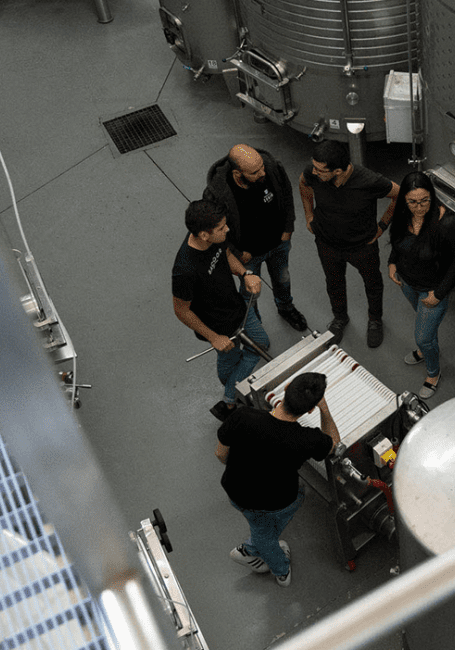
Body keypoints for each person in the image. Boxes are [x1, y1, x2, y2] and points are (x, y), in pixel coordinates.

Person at [215, 372, 340, 586]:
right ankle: (279, 569)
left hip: (235, 489)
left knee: (260, 526)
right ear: (310, 409)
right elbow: (334, 443)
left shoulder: (242, 416)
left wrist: (247, 468)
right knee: (266, 535)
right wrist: (324, 409)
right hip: (274, 502)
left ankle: (253, 547)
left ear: (287, 387)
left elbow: (220, 454)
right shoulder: (307, 439)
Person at [172, 200, 270, 421]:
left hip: (238, 307)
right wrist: (214, 337)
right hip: (219, 327)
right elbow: (181, 310)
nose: (227, 229)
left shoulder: (214, 239)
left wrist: (245, 274)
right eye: (221, 228)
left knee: (261, 343)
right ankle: (231, 398)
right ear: (204, 235)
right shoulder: (184, 270)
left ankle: (229, 396)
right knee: (230, 360)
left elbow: (226, 255)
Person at [298, 140, 400, 347]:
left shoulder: (369, 181)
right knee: (333, 283)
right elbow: (303, 183)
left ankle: (375, 320)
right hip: (327, 243)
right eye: (314, 167)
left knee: (372, 284)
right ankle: (340, 318)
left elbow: (399, 194)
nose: (314, 172)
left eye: (320, 170)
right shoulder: (313, 172)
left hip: (361, 246)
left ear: (338, 170)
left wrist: (382, 225)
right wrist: (308, 214)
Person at [203, 144, 308, 331]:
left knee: (283, 279)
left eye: (262, 167)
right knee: (250, 293)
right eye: (255, 172)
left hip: (279, 244)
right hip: (247, 256)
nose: (263, 173)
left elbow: (287, 196)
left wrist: (288, 228)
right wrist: (236, 253)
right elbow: (215, 232)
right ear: (238, 174)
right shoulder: (217, 194)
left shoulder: (272, 168)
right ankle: (254, 325)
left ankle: (286, 308)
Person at [387, 172, 455, 399]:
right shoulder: (403, 215)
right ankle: (426, 350)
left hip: (432, 290)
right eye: (412, 202)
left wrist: (439, 294)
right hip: (407, 284)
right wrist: (392, 262)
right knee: (427, 333)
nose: (419, 207)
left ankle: (433, 373)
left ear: (432, 196)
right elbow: (397, 241)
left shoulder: (446, 224)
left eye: (424, 201)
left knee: (422, 336)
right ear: (404, 200)